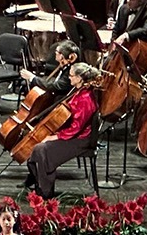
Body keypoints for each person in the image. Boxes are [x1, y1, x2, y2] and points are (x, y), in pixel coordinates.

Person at [22, 63, 102, 199]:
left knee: (42, 149)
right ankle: (40, 184)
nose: (69, 78)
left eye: (71, 75)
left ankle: (45, 192)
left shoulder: (86, 99)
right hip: (73, 134)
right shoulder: (78, 91)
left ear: (79, 78)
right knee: (37, 147)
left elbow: (76, 128)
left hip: (81, 140)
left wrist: (55, 137)